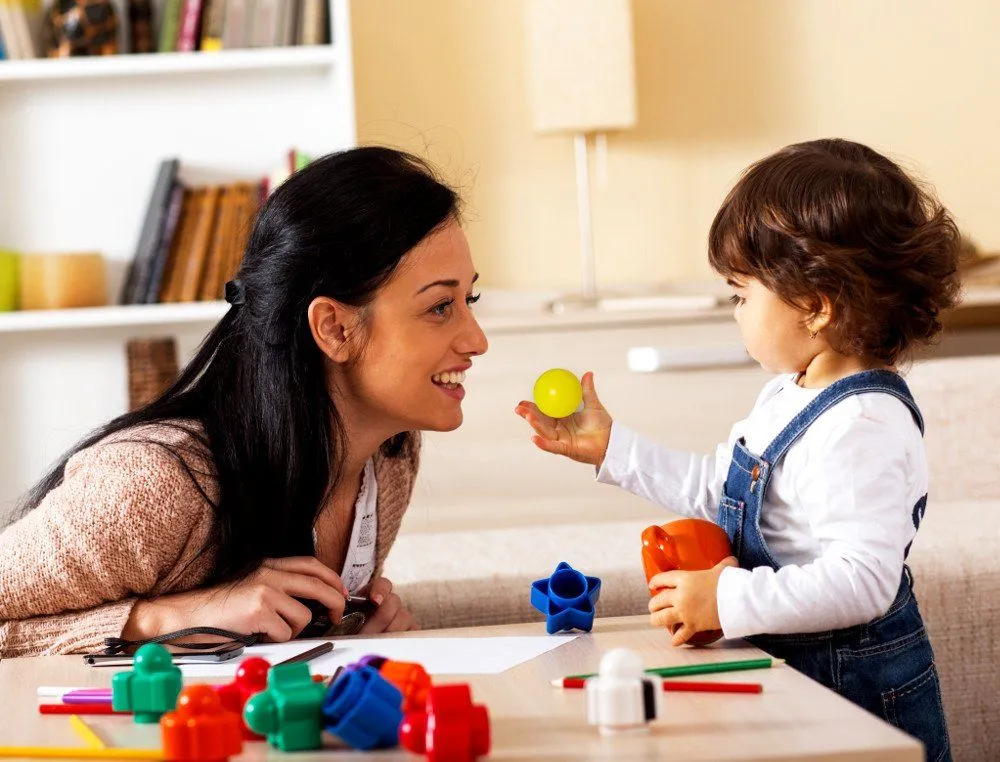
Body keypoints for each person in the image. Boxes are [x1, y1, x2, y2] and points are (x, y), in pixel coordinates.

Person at [516, 139, 958, 759]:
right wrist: (612, 449)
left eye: (740, 295)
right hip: (791, 672)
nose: (735, 312)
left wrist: (728, 599)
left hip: (854, 694)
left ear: (814, 306)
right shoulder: (790, 393)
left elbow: (863, 583)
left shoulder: (862, 423)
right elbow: (716, 488)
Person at [0, 146, 488, 657]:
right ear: (334, 328)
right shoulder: (154, 484)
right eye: (439, 306)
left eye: (468, 300)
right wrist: (161, 620)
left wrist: (348, 640)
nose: (477, 340)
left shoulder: (388, 457)